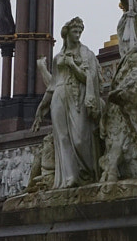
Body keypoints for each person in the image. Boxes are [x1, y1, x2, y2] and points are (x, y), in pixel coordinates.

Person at [33, 17, 101, 188]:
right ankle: (70, 177)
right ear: (67, 33)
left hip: (78, 96)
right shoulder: (58, 58)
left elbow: (89, 78)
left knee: (79, 138)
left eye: (80, 32)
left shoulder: (86, 54)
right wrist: (41, 108)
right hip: (59, 96)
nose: (78, 35)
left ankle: (87, 173)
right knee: (62, 138)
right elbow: (52, 85)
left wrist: (73, 66)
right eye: (75, 32)